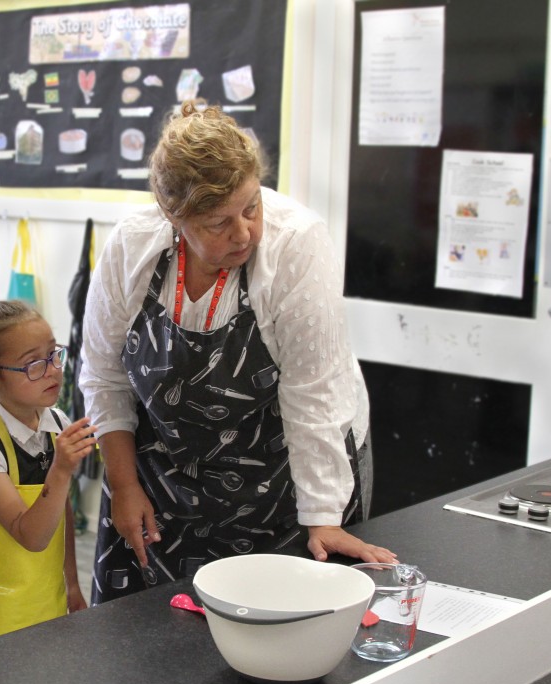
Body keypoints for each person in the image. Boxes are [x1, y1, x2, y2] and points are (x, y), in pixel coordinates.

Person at [80, 101, 397, 604]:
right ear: (174, 217)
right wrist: (123, 485)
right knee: (150, 629)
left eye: (252, 207)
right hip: (164, 469)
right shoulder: (132, 247)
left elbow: (313, 394)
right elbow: (104, 376)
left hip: (288, 469)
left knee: (283, 615)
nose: (244, 232)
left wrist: (323, 518)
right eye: (217, 223)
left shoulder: (295, 244)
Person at [0, 300, 95, 649]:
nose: (52, 371)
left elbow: (61, 515)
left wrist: (71, 583)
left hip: (48, 604)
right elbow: (31, 536)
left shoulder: (56, 422)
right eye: (33, 364)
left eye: (53, 354)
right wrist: (60, 470)